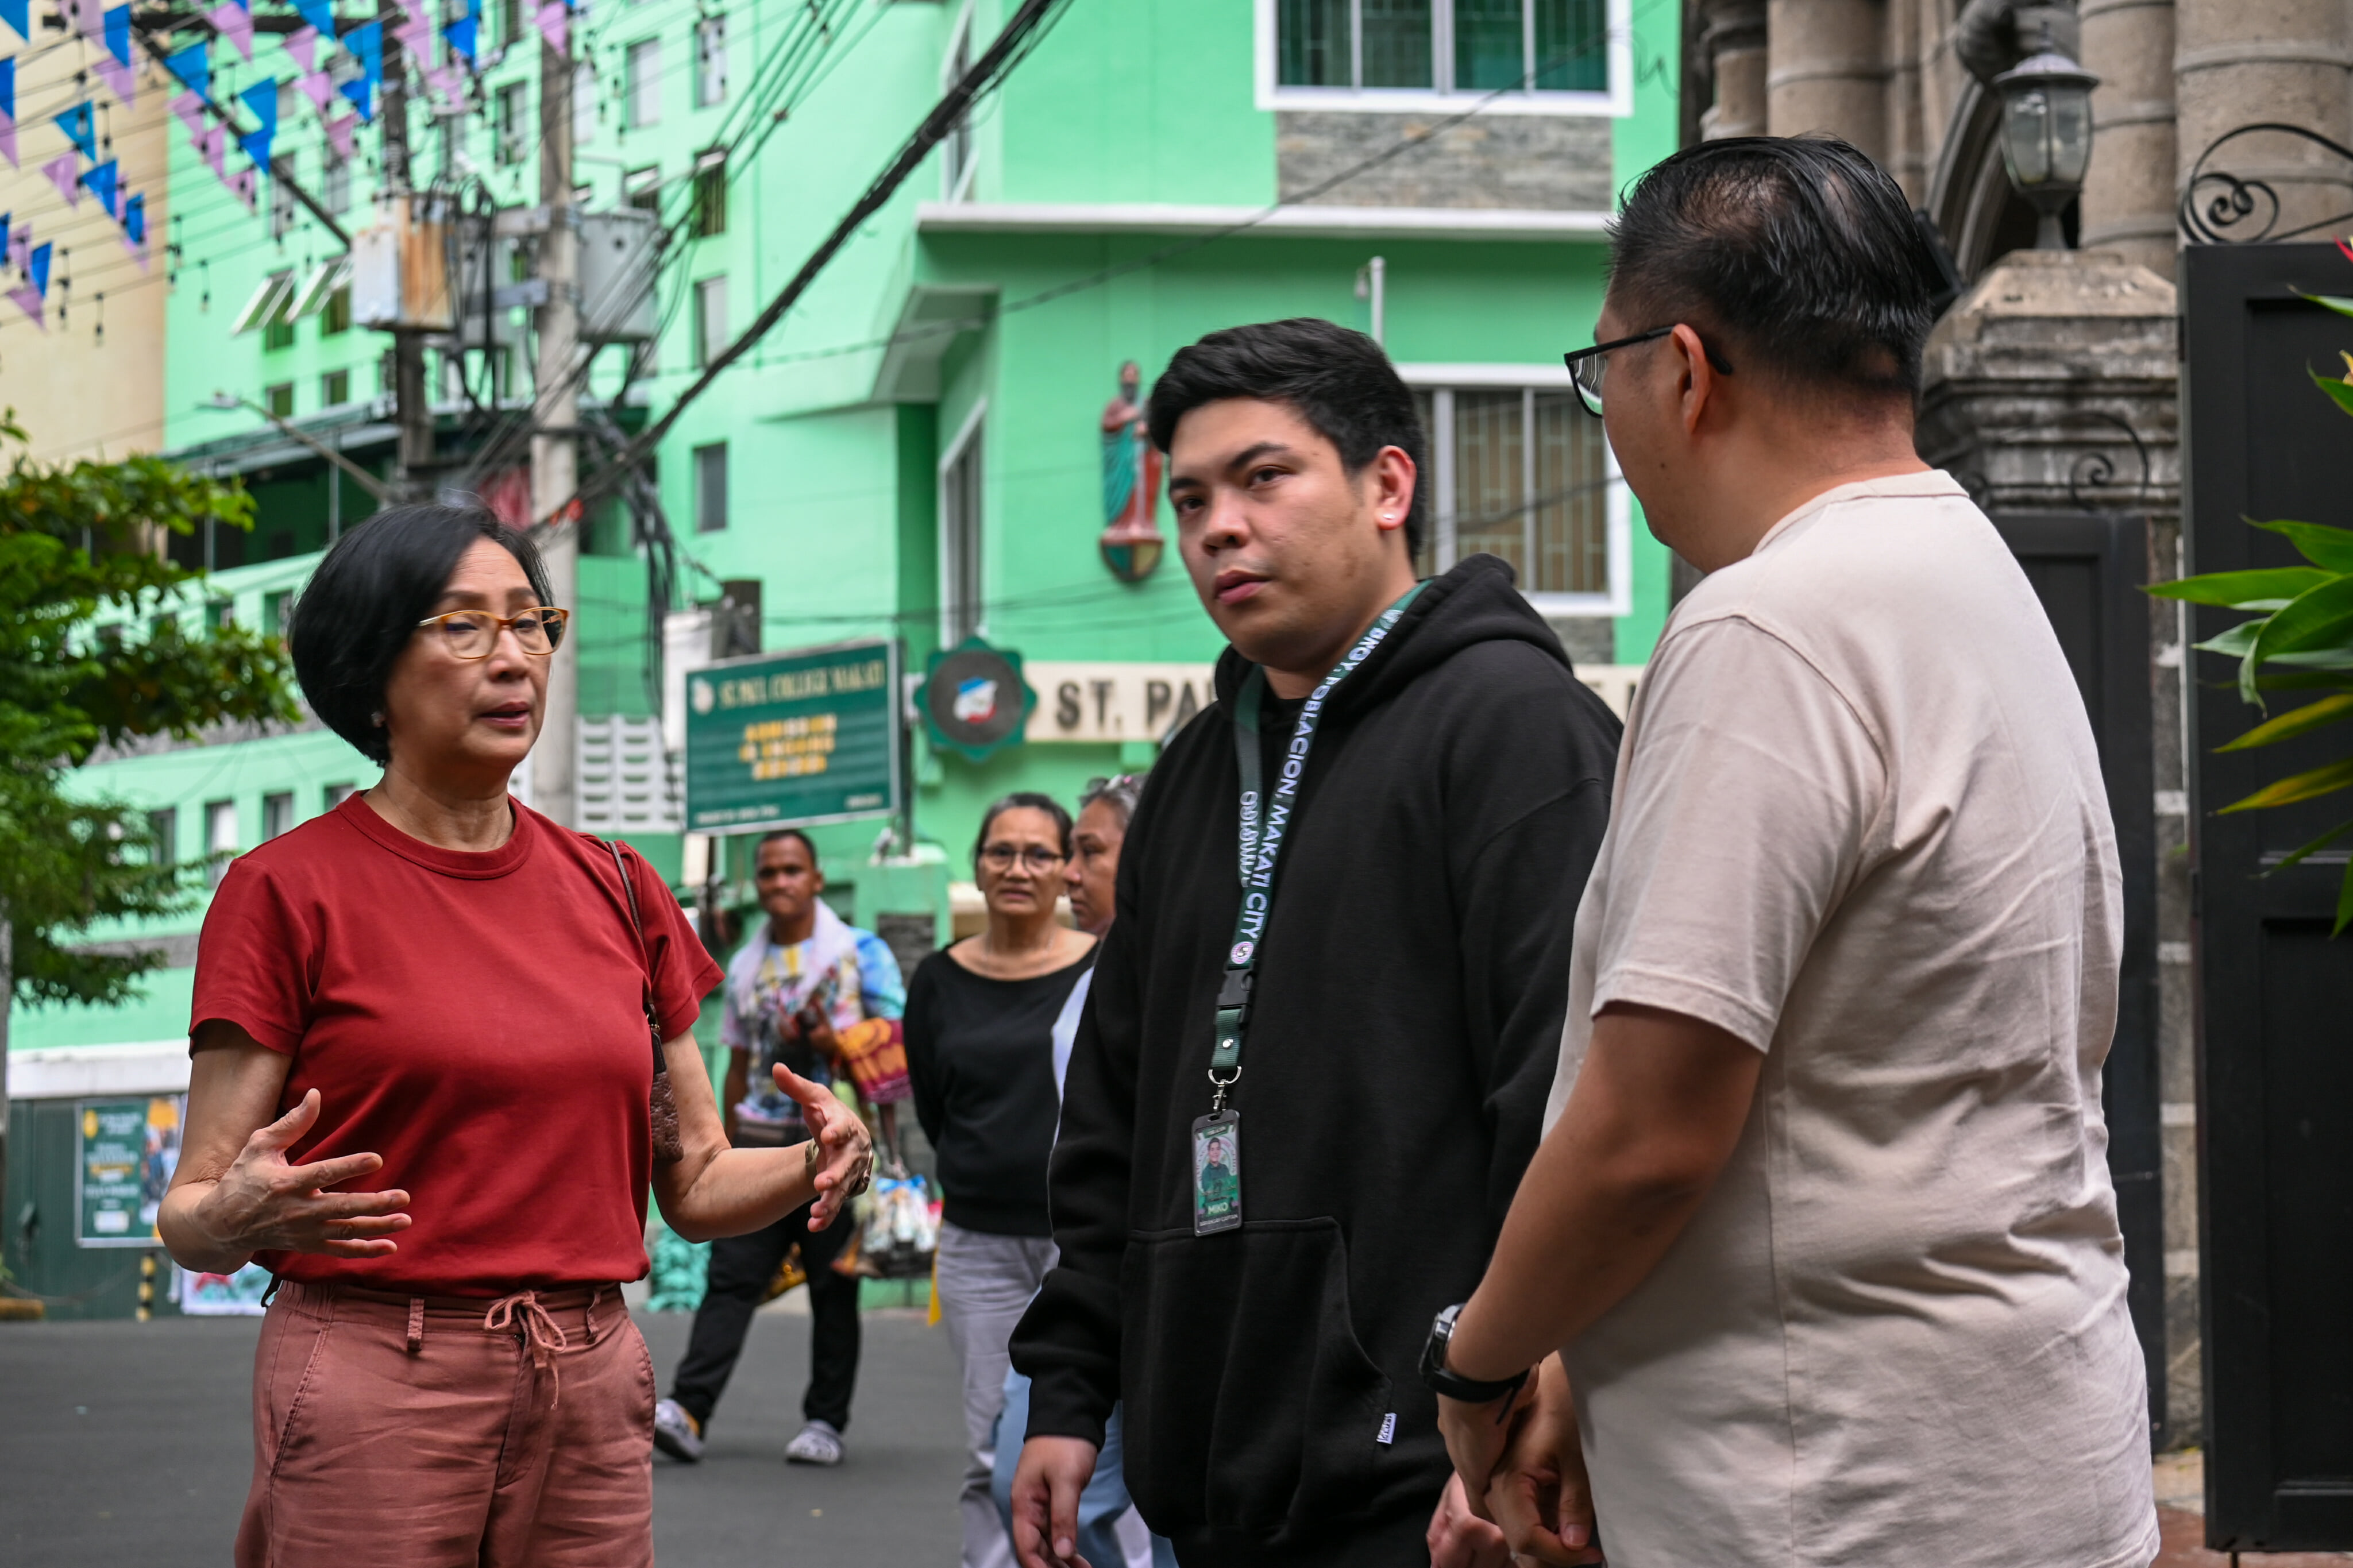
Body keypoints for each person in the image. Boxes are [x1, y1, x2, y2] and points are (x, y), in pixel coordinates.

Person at [1429, 136, 2159, 1568]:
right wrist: (1587, 1359)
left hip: (1834, 1488)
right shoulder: (1973, 576)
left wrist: (1481, 1366)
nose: (1614, 423)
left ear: (1684, 370)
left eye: (1604, 375)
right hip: (2030, 1445)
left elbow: (1652, 1133)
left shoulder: (1768, 623)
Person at [1007, 318, 1623, 1568]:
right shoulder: (1187, 775)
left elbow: (1563, 1095)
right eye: (1187, 500)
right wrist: (1071, 1388)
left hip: (1438, 1473)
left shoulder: (1513, 729)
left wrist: (1517, 1389)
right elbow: (1114, 1110)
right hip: (1206, 1483)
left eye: (1261, 477)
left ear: (1386, 483)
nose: (1215, 529)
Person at [159, 505, 871, 1567]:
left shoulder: (622, 888)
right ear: (371, 664)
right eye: (464, 626)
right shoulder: (285, 892)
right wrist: (236, 1214)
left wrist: (817, 1161)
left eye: (531, 622)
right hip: (374, 1374)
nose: (515, 657)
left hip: (588, 1373)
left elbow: (697, 1182)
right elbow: (192, 1213)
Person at [653, 827, 906, 1469]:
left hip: (839, 1149)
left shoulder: (861, 953)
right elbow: (735, 1062)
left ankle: (825, 1421)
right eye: (768, 873)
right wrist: (722, 1150)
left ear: (817, 879)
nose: (780, 883)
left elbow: (898, 1054)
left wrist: (833, 1041)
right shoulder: (743, 965)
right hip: (761, 1145)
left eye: (793, 870)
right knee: (730, 1280)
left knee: (833, 1289)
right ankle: (687, 1410)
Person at [907, 793, 1100, 1568]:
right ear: (978, 865)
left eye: (1038, 853)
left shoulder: (1104, 969)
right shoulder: (937, 979)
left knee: (1094, 1438)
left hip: (1084, 1245)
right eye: (1001, 852)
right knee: (993, 1442)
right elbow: (935, 1104)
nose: (1018, 868)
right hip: (978, 1247)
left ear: (1065, 870)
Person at [988, 774, 1173, 1568]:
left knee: (1177, 1508)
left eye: (1087, 851)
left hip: (1172, 1284)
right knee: (1021, 1480)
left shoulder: (1196, 978)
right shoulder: (1102, 976)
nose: (1068, 871)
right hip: (1090, 1275)